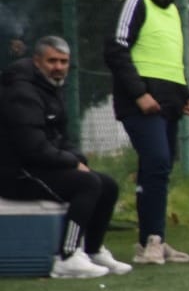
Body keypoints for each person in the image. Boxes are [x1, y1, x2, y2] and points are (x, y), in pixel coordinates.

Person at [0, 37, 130, 278]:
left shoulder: (50, 89)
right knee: (87, 184)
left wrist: (78, 158)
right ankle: (68, 256)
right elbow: (32, 147)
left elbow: (61, 138)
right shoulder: (21, 92)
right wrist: (71, 162)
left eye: (63, 61)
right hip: (17, 174)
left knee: (107, 185)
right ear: (37, 62)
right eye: (52, 61)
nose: (58, 67)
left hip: (40, 166)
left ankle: (92, 249)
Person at [105, 0, 189, 264]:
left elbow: (169, 58)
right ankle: (154, 238)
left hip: (168, 103)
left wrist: (185, 95)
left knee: (158, 167)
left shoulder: (172, 11)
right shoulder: (135, 0)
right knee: (157, 162)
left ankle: (150, 240)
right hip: (141, 103)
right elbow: (116, 49)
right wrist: (139, 94)